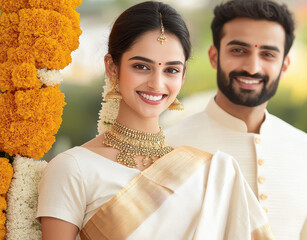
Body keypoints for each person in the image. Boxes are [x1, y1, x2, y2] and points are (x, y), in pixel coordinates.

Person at [36, 2, 274, 239]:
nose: (157, 84)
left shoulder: (210, 173)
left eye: (171, 70)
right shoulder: (74, 168)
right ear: (112, 67)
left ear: (182, 76)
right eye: (141, 66)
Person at [165, 0, 307, 239]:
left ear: (284, 66)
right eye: (238, 50)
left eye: (267, 54)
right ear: (214, 57)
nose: (253, 67)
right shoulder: (169, 147)